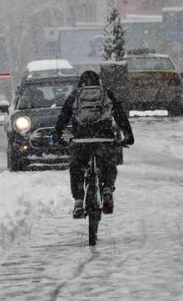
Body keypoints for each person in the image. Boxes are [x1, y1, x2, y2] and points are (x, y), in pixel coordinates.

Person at [54, 70, 134, 219]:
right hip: (103, 139)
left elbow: (63, 116)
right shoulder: (106, 94)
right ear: (98, 82)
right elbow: (119, 115)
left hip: (81, 141)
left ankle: (78, 201)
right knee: (109, 163)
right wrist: (128, 135)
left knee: (77, 167)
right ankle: (107, 189)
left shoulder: (75, 95)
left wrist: (57, 135)